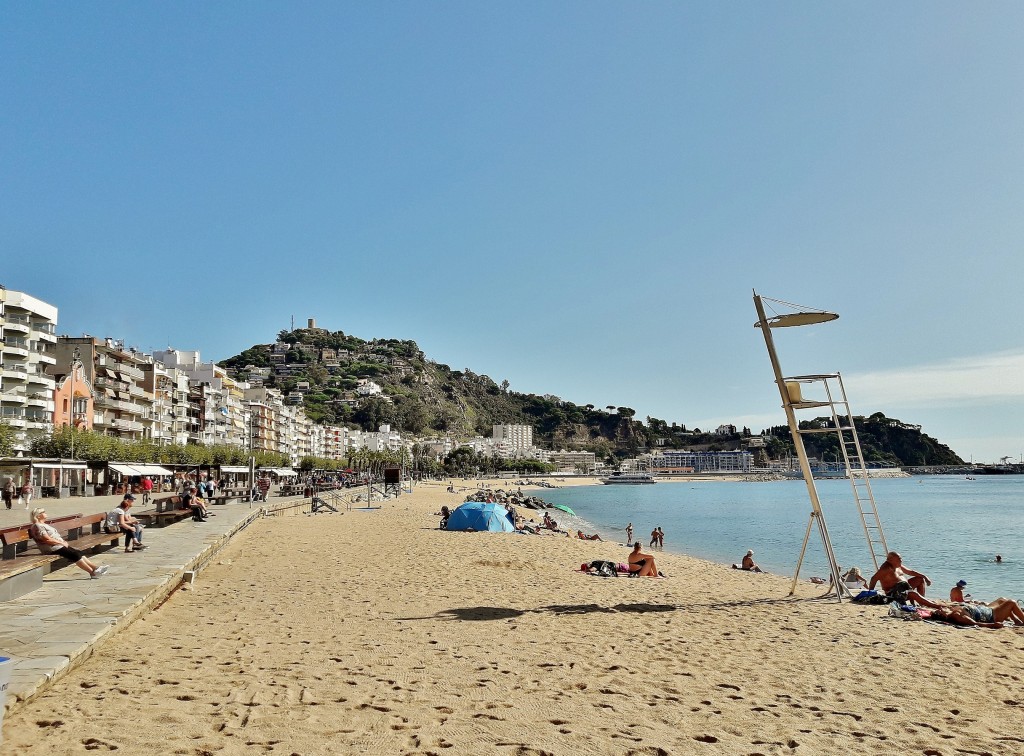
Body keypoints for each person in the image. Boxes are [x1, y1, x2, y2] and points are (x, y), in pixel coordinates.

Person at [29, 508, 109, 578]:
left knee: (78, 552)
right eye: (43, 512)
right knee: (74, 555)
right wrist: (61, 542)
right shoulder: (37, 526)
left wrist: (62, 542)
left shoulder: (42, 524)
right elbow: (46, 540)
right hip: (51, 548)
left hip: (57, 545)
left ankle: (96, 568)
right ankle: (92, 573)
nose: (45, 513)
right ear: (38, 515)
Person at [868, 552, 939, 607]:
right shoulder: (886, 569)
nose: (901, 560)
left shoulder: (897, 565)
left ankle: (922, 602)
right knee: (913, 594)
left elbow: (910, 572)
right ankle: (935, 606)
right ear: (891, 560)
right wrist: (870, 593)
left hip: (905, 588)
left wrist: (925, 576)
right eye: (899, 559)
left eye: (900, 558)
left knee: (920, 579)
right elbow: (873, 579)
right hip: (895, 593)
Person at [931, 599, 1024, 628]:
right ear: (943, 615)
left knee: (1002, 599)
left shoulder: (952, 610)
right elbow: (975, 623)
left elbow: (940, 605)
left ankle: (1016, 620)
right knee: (1011, 602)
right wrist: (993, 625)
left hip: (986, 609)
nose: (941, 608)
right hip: (992, 615)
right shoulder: (957, 616)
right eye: (940, 610)